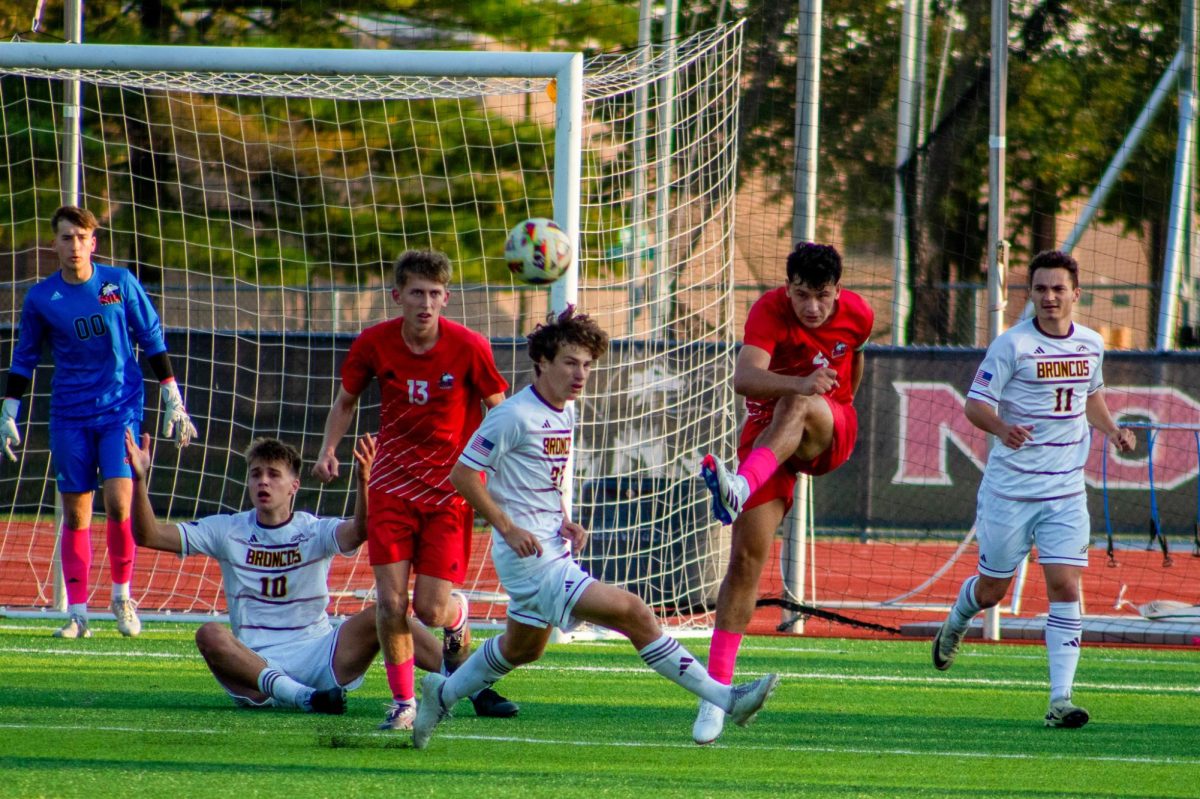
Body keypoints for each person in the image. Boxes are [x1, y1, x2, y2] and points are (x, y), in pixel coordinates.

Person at [411, 307, 780, 750]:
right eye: (570, 362)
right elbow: (463, 475)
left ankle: (442, 694)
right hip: (530, 559)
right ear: (543, 362)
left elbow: (539, 478)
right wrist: (507, 527)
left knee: (524, 647)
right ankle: (725, 698)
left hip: (551, 545)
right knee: (633, 611)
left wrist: (563, 518)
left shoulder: (564, 411)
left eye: (587, 364)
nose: (580, 373)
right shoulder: (512, 415)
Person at [312, 249, 516, 730]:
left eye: (435, 294)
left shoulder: (469, 346)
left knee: (430, 608)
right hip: (390, 489)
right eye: (417, 293)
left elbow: (500, 408)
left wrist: (494, 464)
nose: (426, 302)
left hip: (449, 493)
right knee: (389, 602)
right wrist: (328, 450)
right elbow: (346, 400)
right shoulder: (373, 344)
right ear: (397, 295)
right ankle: (404, 702)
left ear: (446, 298)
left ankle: (457, 615)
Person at [931, 250, 1135, 728]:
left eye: (1058, 288)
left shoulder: (1090, 343)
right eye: (1041, 289)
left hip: (1065, 491)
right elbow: (974, 405)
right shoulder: (1012, 346)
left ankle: (1060, 699)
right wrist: (1003, 429)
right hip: (1010, 491)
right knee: (993, 591)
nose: (1049, 297)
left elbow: (1092, 397)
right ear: (1031, 295)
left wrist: (1112, 430)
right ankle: (956, 621)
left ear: (1076, 294)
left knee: (1065, 586)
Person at [126, 430, 445, 712]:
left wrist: (364, 481)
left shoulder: (314, 530)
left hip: (322, 656)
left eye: (273, 474)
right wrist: (139, 480)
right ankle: (304, 698)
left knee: (388, 611)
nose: (263, 481)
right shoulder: (227, 530)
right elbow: (149, 535)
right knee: (209, 634)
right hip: (256, 665)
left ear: (294, 486)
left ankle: (468, 683)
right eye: (255, 474)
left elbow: (360, 530)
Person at [696, 242, 874, 744]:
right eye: (801, 294)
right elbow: (744, 378)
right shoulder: (768, 310)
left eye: (821, 296)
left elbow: (855, 357)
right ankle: (715, 694)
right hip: (765, 435)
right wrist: (799, 379)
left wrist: (836, 398)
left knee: (798, 401)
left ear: (838, 291)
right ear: (787, 287)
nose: (811, 307)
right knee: (746, 563)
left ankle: (740, 484)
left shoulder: (859, 312)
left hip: (826, 426)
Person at [0, 205, 198, 640]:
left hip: (120, 409)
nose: (74, 245)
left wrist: (172, 394)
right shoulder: (40, 299)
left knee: (120, 503)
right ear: (54, 244)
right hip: (70, 413)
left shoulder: (119, 283)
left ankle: (122, 595)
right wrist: (9, 408)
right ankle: (78, 612)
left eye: (82, 237)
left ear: (95, 242)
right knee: (75, 514)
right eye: (66, 237)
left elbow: (151, 337)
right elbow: (25, 357)